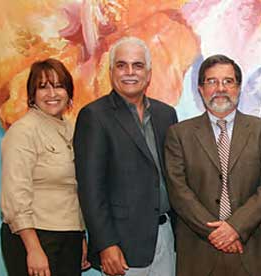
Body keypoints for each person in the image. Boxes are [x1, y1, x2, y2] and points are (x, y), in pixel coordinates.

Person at [164, 54, 261, 276]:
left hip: (254, 253)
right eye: (212, 81)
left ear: (238, 87)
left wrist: (235, 227)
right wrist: (218, 234)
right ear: (200, 88)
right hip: (199, 254)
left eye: (228, 81)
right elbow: (178, 191)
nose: (220, 88)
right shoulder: (179, 134)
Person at [74, 37, 178, 276]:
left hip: (166, 237)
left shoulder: (166, 115)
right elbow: (91, 189)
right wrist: (106, 244)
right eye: (122, 65)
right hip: (122, 245)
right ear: (111, 72)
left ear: (149, 73)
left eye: (137, 65)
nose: (130, 72)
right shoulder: (94, 116)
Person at [0, 58, 90, 276]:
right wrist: (33, 249)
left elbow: (74, 189)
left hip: (70, 237)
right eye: (43, 87)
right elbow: (14, 196)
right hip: (34, 238)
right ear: (32, 95)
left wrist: (81, 236)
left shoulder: (71, 130)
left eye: (59, 86)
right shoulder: (23, 132)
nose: (52, 94)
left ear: (68, 92)